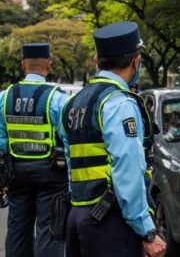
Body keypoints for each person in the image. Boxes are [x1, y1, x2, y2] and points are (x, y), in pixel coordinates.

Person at [58, 21, 166, 257]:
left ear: (98, 60)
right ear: (136, 61)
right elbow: (128, 168)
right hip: (110, 221)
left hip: (78, 215)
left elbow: (70, 165)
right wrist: (146, 231)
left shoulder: (72, 103)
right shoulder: (119, 103)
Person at [0, 43, 68, 257]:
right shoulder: (58, 98)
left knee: (17, 230)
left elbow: (1, 142)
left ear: (23, 65)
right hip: (52, 173)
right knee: (50, 231)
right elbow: (67, 140)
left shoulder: (4, 97)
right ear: (49, 65)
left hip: (16, 173)